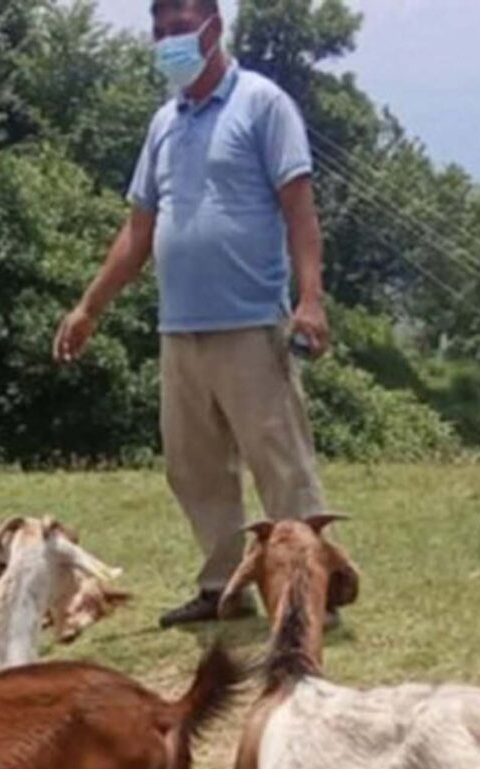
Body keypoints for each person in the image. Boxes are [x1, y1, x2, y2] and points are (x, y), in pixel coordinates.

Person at [54, 0, 337, 628]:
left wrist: (310, 299)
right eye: (158, 31)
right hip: (180, 328)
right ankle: (222, 588)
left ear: (213, 27)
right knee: (194, 469)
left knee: (280, 464)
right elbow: (138, 230)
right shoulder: (165, 123)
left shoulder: (262, 104)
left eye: (179, 29)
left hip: (251, 323)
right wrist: (89, 306)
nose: (167, 42)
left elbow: (300, 211)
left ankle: (305, 591)